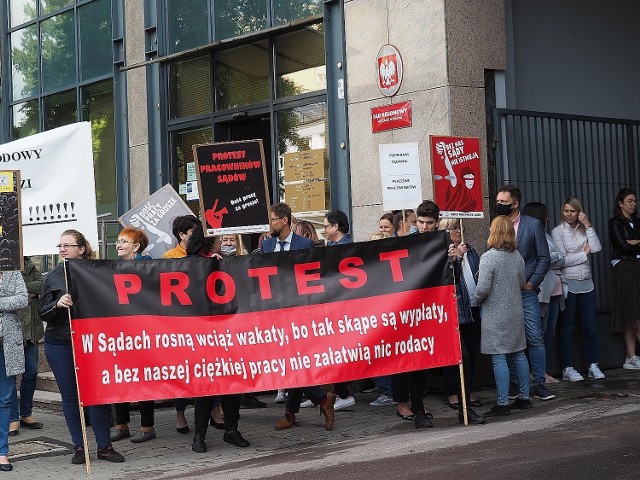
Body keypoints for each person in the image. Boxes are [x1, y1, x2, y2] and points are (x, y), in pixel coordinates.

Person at [40, 230, 124, 464]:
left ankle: (104, 446)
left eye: (68, 245)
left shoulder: (98, 271)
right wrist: (57, 305)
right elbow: (42, 312)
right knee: (70, 397)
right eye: (60, 246)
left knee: (97, 394)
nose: (62, 250)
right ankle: (80, 446)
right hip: (61, 344)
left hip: (92, 344)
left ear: (82, 248)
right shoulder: (53, 276)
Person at [261, 203, 336, 431]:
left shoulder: (304, 244)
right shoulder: (266, 245)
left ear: (284, 221)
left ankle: (292, 412)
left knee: (295, 361)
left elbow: (313, 277)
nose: (270, 224)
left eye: (273, 219)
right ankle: (322, 400)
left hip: (299, 312)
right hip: (276, 312)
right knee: (290, 362)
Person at [495, 185, 553, 401]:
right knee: (510, 340)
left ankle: (539, 383)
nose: (499, 205)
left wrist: (532, 283)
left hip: (526, 292)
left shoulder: (533, 224)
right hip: (504, 294)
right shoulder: (496, 225)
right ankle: (515, 385)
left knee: (535, 338)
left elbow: (544, 257)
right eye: (498, 201)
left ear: (515, 203)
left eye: (503, 202)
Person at [475, 216, 532, 417]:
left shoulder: (489, 257)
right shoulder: (517, 256)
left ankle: (502, 402)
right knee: (518, 354)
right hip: (515, 311)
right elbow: (522, 282)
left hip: (495, 313)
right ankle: (524, 398)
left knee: (499, 357)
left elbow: (482, 288)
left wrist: (473, 301)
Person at [392, 200, 441, 428]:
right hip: (405, 308)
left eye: (429, 223)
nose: (424, 227)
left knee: (421, 359)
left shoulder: (441, 242)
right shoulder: (406, 241)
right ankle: (405, 403)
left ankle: (418, 404)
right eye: (420, 222)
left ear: (436, 223)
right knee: (405, 358)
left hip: (429, 309)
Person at [110, 228, 157, 443]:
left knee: (144, 379)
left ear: (136, 247)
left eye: (124, 241)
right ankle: (122, 425)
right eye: (118, 241)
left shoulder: (148, 267)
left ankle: (147, 426)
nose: (119, 245)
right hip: (121, 331)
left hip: (142, 331)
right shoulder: (114, 268)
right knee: (121, 378)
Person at [551, 197, 604, 381]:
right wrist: (583, 254)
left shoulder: (584, 229)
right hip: (568, 284)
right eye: (566, 210)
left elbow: (596, 248)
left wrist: (588, 225)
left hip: (587, 283)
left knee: (590, 327)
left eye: (572, 211)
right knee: (568, 326)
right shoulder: (557, 232)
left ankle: (592, 364)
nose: (569, 214)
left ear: (579, 212)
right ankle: (567, 367)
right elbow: (561, 260)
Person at [440, 219, 484, 425]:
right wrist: (455, 259)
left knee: (472, 351)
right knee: (457, 353)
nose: (457, 231)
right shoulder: (444, 252)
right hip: (456, 309)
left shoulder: (471, 250)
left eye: (458, 227)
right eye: (452, 228)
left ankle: (468, 391)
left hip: (473, 307)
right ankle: (453, 393)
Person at [163, 215, 201, 432]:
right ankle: (180, 413)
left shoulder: (203, 254)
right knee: (182, 371)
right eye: (193, 231)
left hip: (200, 322)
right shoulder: (170, 257)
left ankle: (214, 410)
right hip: (179, 323)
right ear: (182, 235)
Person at [521, 203, 565, 380]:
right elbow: (547, 258)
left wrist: (552, 257)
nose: (547, 218)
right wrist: (552, 257)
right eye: (545, 215)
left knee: (550, 330)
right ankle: (537, 372)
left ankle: (541, 369)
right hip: (541, 291)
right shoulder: (531, 235)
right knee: (539, 332)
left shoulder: (547, 235)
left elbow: (561, 258)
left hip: (554, 290)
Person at [9, 257, 44, 436]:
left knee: (30, 373)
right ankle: (12, 417)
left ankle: (25, 414)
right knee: (11, 378)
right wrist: (26, 294)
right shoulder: (7, 265)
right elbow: (13, 295)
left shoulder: (29, 263)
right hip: (12, 332)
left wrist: (24, 291)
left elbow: (42, 283)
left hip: (32, 331)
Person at [608, 188, 640, 369]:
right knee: (631, 310)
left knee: (635, 310)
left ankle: (631, 356)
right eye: (629, 201)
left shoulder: (638, 222)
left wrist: (634, 243)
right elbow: (622, 246)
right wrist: (632, 244)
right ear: (620, 203)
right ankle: (631, 356)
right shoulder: (615, 223)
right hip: (625, 267)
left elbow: (629, 245)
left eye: (635, 201)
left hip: (636, 266)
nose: (633, 204)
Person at [0, 269, 28, 471]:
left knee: (4, 399)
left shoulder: (12, 273)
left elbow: (22, 299)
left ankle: (2, 452)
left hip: (6, 346)